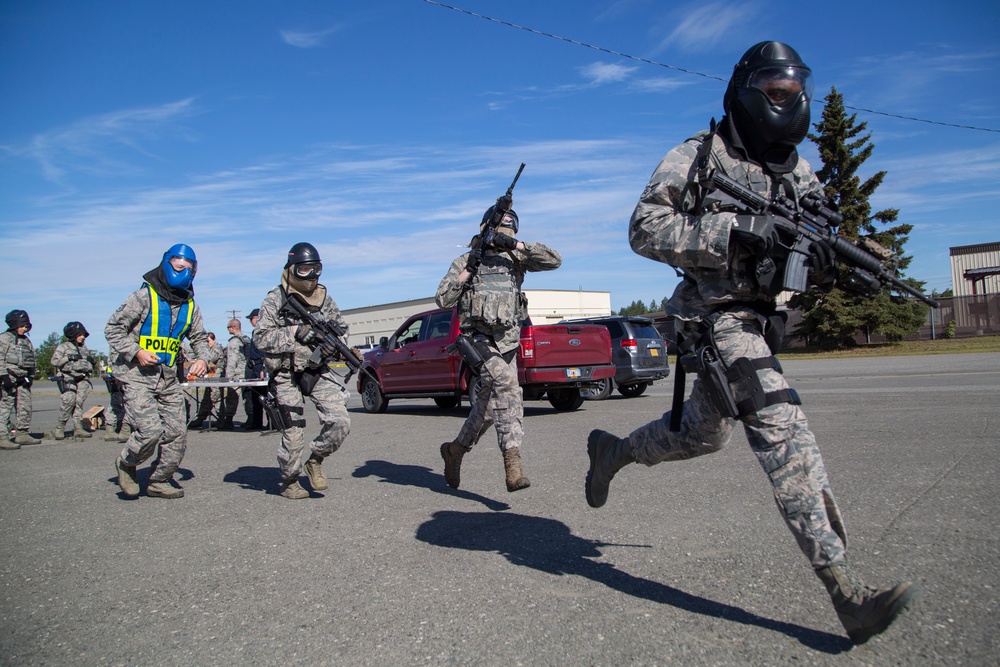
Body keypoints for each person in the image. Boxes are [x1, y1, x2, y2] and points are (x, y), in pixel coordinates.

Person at [584, 42, 919, 645]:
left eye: (794, 90)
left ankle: (615, 453)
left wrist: (824, 257)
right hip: (713, 318)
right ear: (746, 89)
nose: (786, 99)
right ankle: (847, 592)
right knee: (782, 425)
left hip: (761, 320)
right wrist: (736, 229)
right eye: (774, 88)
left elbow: (816, 238)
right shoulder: (700, 154)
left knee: (700, 436)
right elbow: (644, 227)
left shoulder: (798, 171)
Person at [436, 205, 561, 492]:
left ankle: (455, 450)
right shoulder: (466, 260)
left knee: (489, 411)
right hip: (478, 342)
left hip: (507, 344)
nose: (501, 239)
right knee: (508, 386)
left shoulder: (516, 258)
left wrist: (516, 245)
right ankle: (512, 463)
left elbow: (555, 260)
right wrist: (468, 270)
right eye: (498, 234)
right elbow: (442, 299)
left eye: (508, 233)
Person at [106, 244, 210, 499]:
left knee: (177, 433)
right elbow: (113, 329)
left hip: (168, 377)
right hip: (137, 376)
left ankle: (159, 480)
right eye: (178, 266)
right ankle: (127, 462)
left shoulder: (190, 305)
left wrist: (203, 359)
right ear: (167, 263)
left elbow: (198, 338)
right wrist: (136, 352)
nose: (184, 271)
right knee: (150, 431)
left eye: (189, 268)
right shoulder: (143, 297)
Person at [253, 242, 351, 499]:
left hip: (316, 370)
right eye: (305, 269)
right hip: (286, 374)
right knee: (293, 432)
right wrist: (294, 333)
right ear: (293, 268)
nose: (311, 275)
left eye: (316, 269)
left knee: (340, 421)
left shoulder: (323, 297)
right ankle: (289, 481)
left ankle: (315, 460)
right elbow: (260, 338)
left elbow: (341, 328)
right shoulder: (276, 298)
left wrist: (336, 346)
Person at [49, 321, 98, 440]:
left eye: (83, 335)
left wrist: (90, 364)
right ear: (73, 334)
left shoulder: (84, 348)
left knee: (79, 402)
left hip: (82, 378)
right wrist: (68, 357)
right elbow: (54, 362)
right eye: (80, 334)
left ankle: (78, 428)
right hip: (68, 377)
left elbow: (89, 364)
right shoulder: (63, 347)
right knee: (69, 401)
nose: (82, 337)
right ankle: (60, 428)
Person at [0, 309, 40, 448]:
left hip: (23, 380)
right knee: (4, 407)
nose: (24, 328)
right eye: (22, 326)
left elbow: (32, 360)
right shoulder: (4, 338)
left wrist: (30, 377)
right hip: (8, 378)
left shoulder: (26, 341)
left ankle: (22, 433)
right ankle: (2, 436)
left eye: (26, 326)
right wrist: (4, 377)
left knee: (25, 407)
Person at [217, 319, 251, 430]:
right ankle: (251, 418)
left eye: (228, 327)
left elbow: (232, 360)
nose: (227, 329)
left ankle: (228, 420)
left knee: (232, 396)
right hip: (247, 372)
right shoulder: (246, 339)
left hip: (237, 373)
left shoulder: (234, 342)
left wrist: (228, 376)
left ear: (233, 327)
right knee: (248, 397)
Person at [187, 332, 224, 429]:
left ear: (214, 340)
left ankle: (222, 419)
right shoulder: (208, 349)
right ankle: (200, 418)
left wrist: (198, 360)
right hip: (210, 377)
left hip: (217, 377)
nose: (207, 343)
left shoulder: (216, 348)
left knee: (216, 398)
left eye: (209, 341)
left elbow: (210, 359)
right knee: (206, 399)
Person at [243, 308, 268, 430]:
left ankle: (272, 422)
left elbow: (266, 351)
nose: (250, 322)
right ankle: (257, 422)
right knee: (256, 397)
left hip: (261, 367)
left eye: (251, 319)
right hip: (254, 368)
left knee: (267, 396)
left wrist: (264, 367)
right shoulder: (255, 332)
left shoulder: (265, 331)